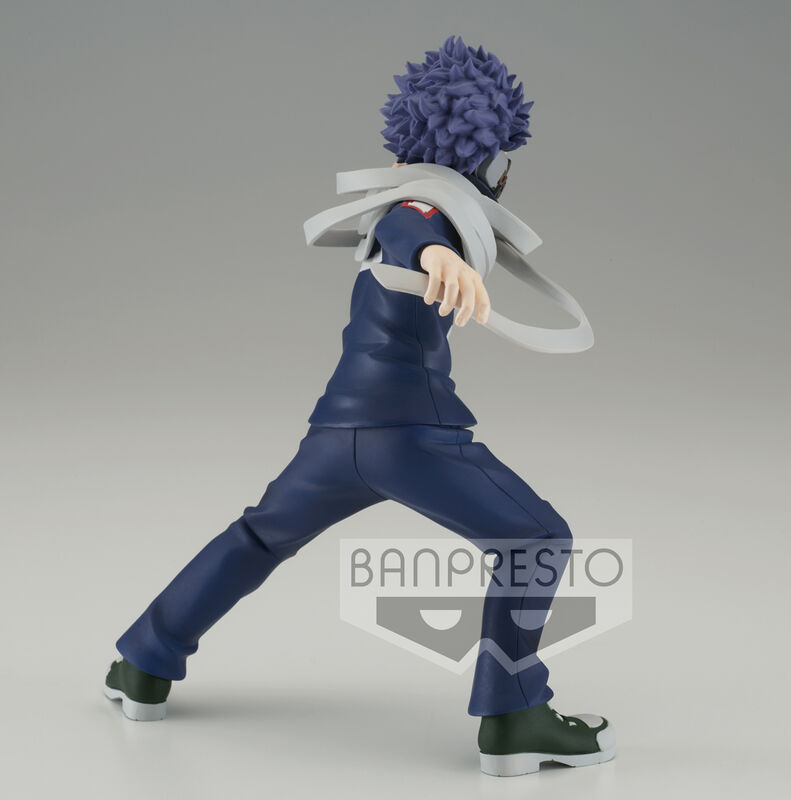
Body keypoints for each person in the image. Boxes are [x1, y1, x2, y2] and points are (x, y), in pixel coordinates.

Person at [104, 35, 614, 777]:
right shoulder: (426, 205)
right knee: (537, 540)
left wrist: (436, 250)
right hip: (410, 433)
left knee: (257, 538)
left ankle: (141, 664)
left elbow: (405, 224)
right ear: (487, 149)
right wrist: (436, 254)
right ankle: (514, 718)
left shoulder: (420, 199)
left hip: (336, 431)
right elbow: (410, 228)